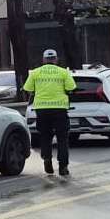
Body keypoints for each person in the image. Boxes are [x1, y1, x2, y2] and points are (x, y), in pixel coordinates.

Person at [23, 48, 78, 177]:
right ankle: (63, 166)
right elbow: (71, 88)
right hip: (60, 110)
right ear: (56, 59)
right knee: (62, 139)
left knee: (45, 137)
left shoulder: (35, 73)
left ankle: (47, 159)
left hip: (42, 110)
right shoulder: (63, 72)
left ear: (43, 60)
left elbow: (27, 89)